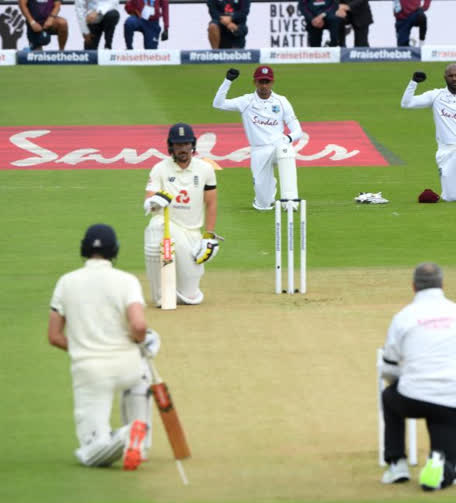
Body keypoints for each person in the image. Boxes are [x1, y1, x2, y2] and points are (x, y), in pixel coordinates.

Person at [48, 224, 160, 470]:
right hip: (127, 365)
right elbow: (139, 326)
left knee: (90, 452)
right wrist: (138, 344)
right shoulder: (127, 281)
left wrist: (81, 348)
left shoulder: (66, 282)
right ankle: (139, 443)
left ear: (84, 250)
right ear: (115, 251)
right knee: (140, 375)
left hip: (89, 371)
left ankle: (125, 435)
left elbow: (54, 336)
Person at [379, 263, 456, 491]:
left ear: (413, 287)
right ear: (442, 285)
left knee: (389, 397)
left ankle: (397, 464)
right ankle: (438, 466)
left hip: (414, 396)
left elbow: (388, 367)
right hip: (453, 397)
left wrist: (402, 381)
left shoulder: (403, 317)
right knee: (444, 463)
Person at [143, 123, 220, 306]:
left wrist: (208, 236)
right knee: (155, 224)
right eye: (178, 144)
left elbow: (211, 203)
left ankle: (177, 290)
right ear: (171, 146)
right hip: (169, 226)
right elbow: (149, 202)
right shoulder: (160, 169)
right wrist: (154, 203)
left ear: (192, 145)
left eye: (186, 144)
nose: (183, 149)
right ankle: (160, 294)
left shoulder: (205, 169)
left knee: (190, 296)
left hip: (192, 233)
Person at [212, 66, 304, 211]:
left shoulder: (281, 101)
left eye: (267, 82)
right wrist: (228, 81)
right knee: (263, 205)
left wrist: (285, 140)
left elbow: (298, 131)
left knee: (286, 150)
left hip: (278, 147)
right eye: (261, 82)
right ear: (255, 82)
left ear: (272, 83)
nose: (264, 86)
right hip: (259, 150)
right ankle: (266, 194)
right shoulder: (246, 101)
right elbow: (218, 104)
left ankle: (290, 201)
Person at [400, 63, 456, 204]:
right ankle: (451, 191)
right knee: (451, 198)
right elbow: (406, 103)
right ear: (445, 77)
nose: (454, 79)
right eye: (451, 76)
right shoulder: (436, 95)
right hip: (445, 150)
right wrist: (413, 83)